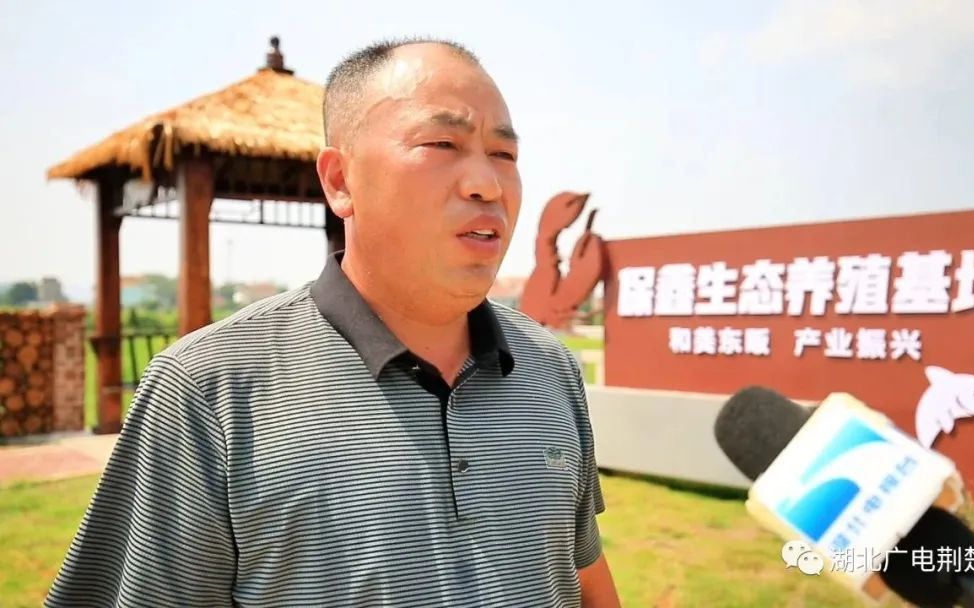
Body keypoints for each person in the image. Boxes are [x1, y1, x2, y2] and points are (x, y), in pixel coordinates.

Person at [44, 38, 621, 607]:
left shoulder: (550, 368)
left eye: (504, 155)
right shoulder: (207, 391)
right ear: (341, 182)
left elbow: (582, 575)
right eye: (442, 143)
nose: (488, 184)